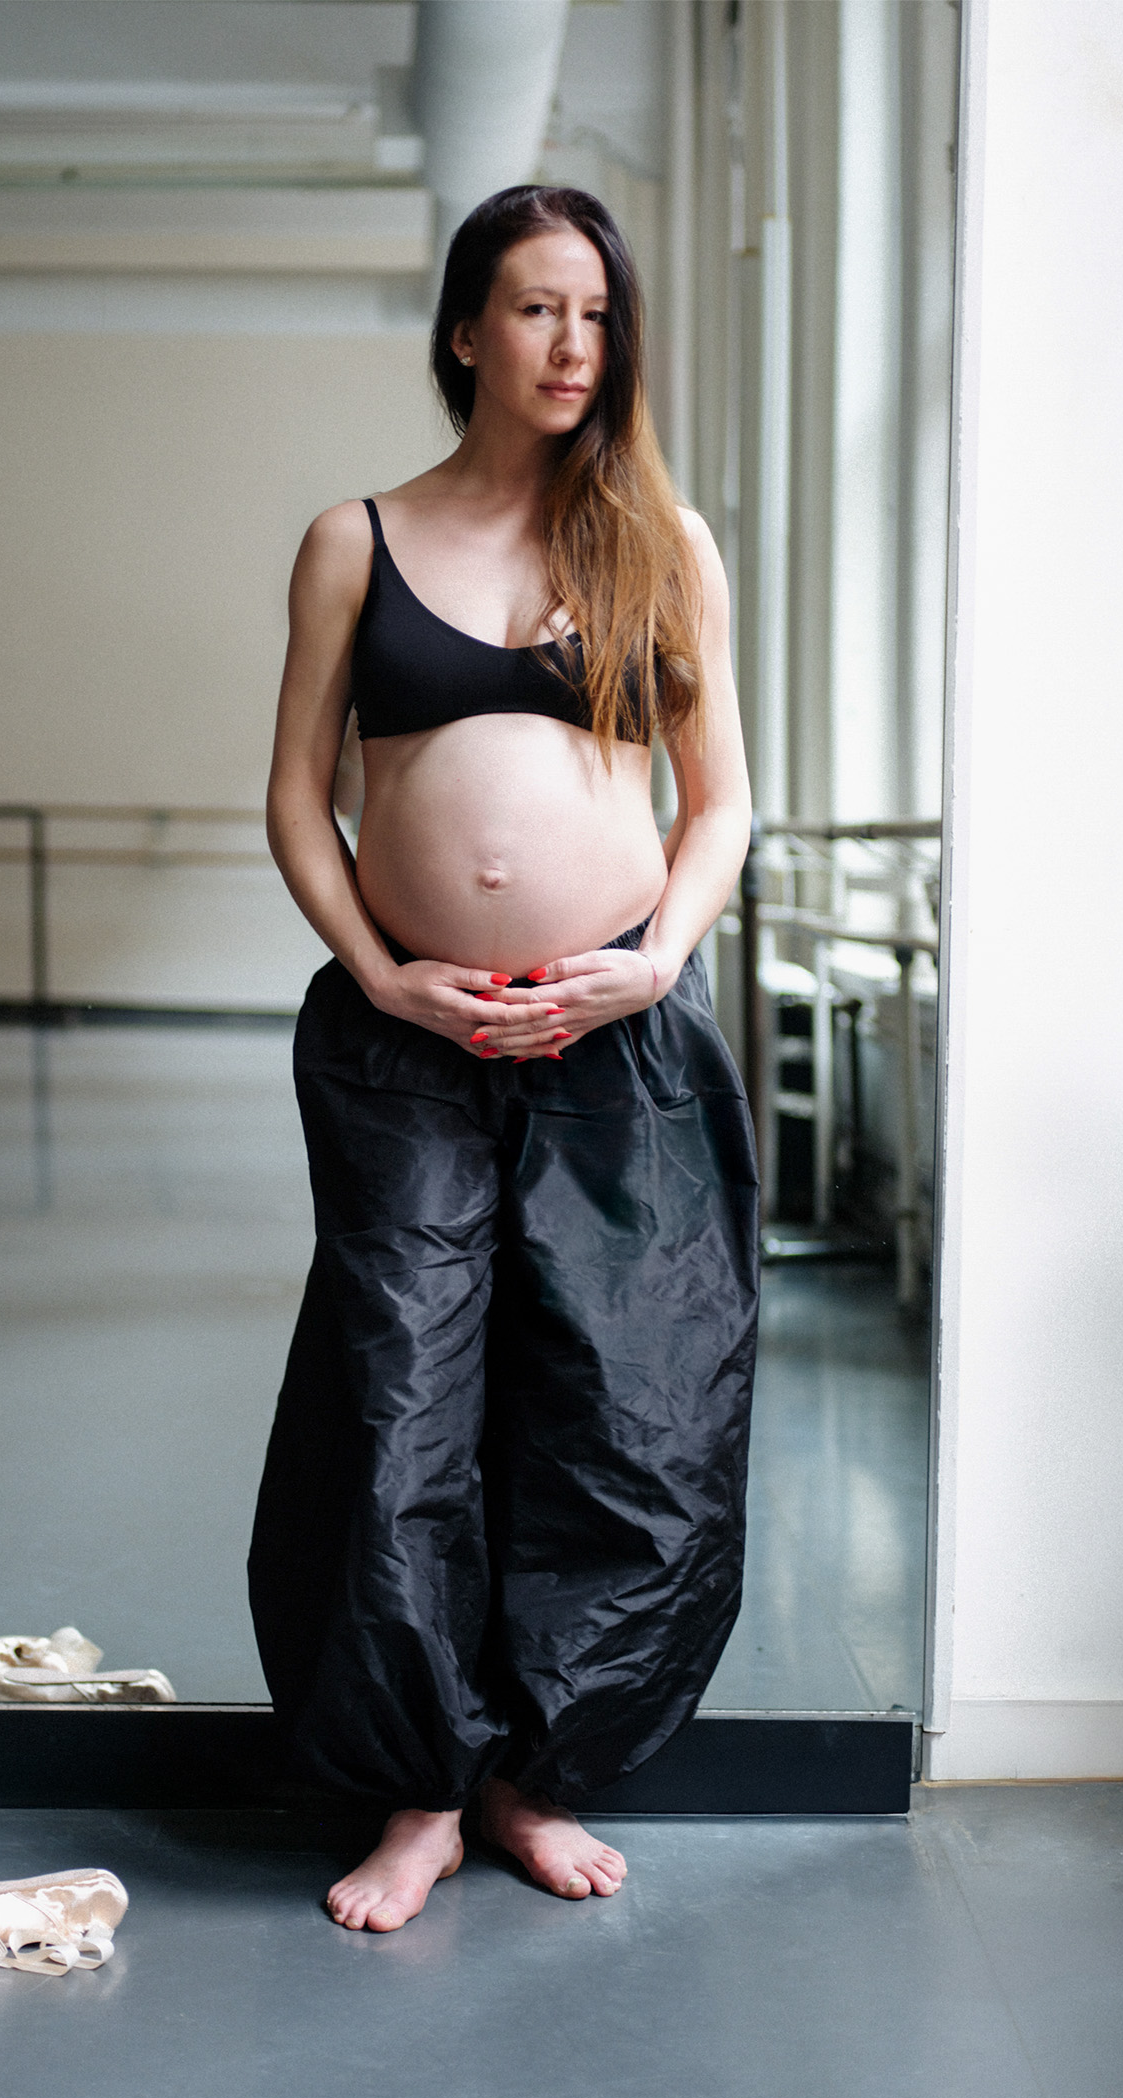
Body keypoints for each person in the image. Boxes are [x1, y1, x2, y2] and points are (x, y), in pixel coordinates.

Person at [248, 184, 759, 1932]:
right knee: (403, 1407)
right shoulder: (354, 539)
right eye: (537, 311)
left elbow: (723, 806)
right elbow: (301, 802)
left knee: (625, 1413)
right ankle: (416, 1790)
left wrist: (653, 965)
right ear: (466, 328)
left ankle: (535, 1777)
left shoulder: (660, 541)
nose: (571, 347)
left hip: (616, 1041)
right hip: (408, 1045)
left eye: (598, 316)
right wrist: (385, 977)